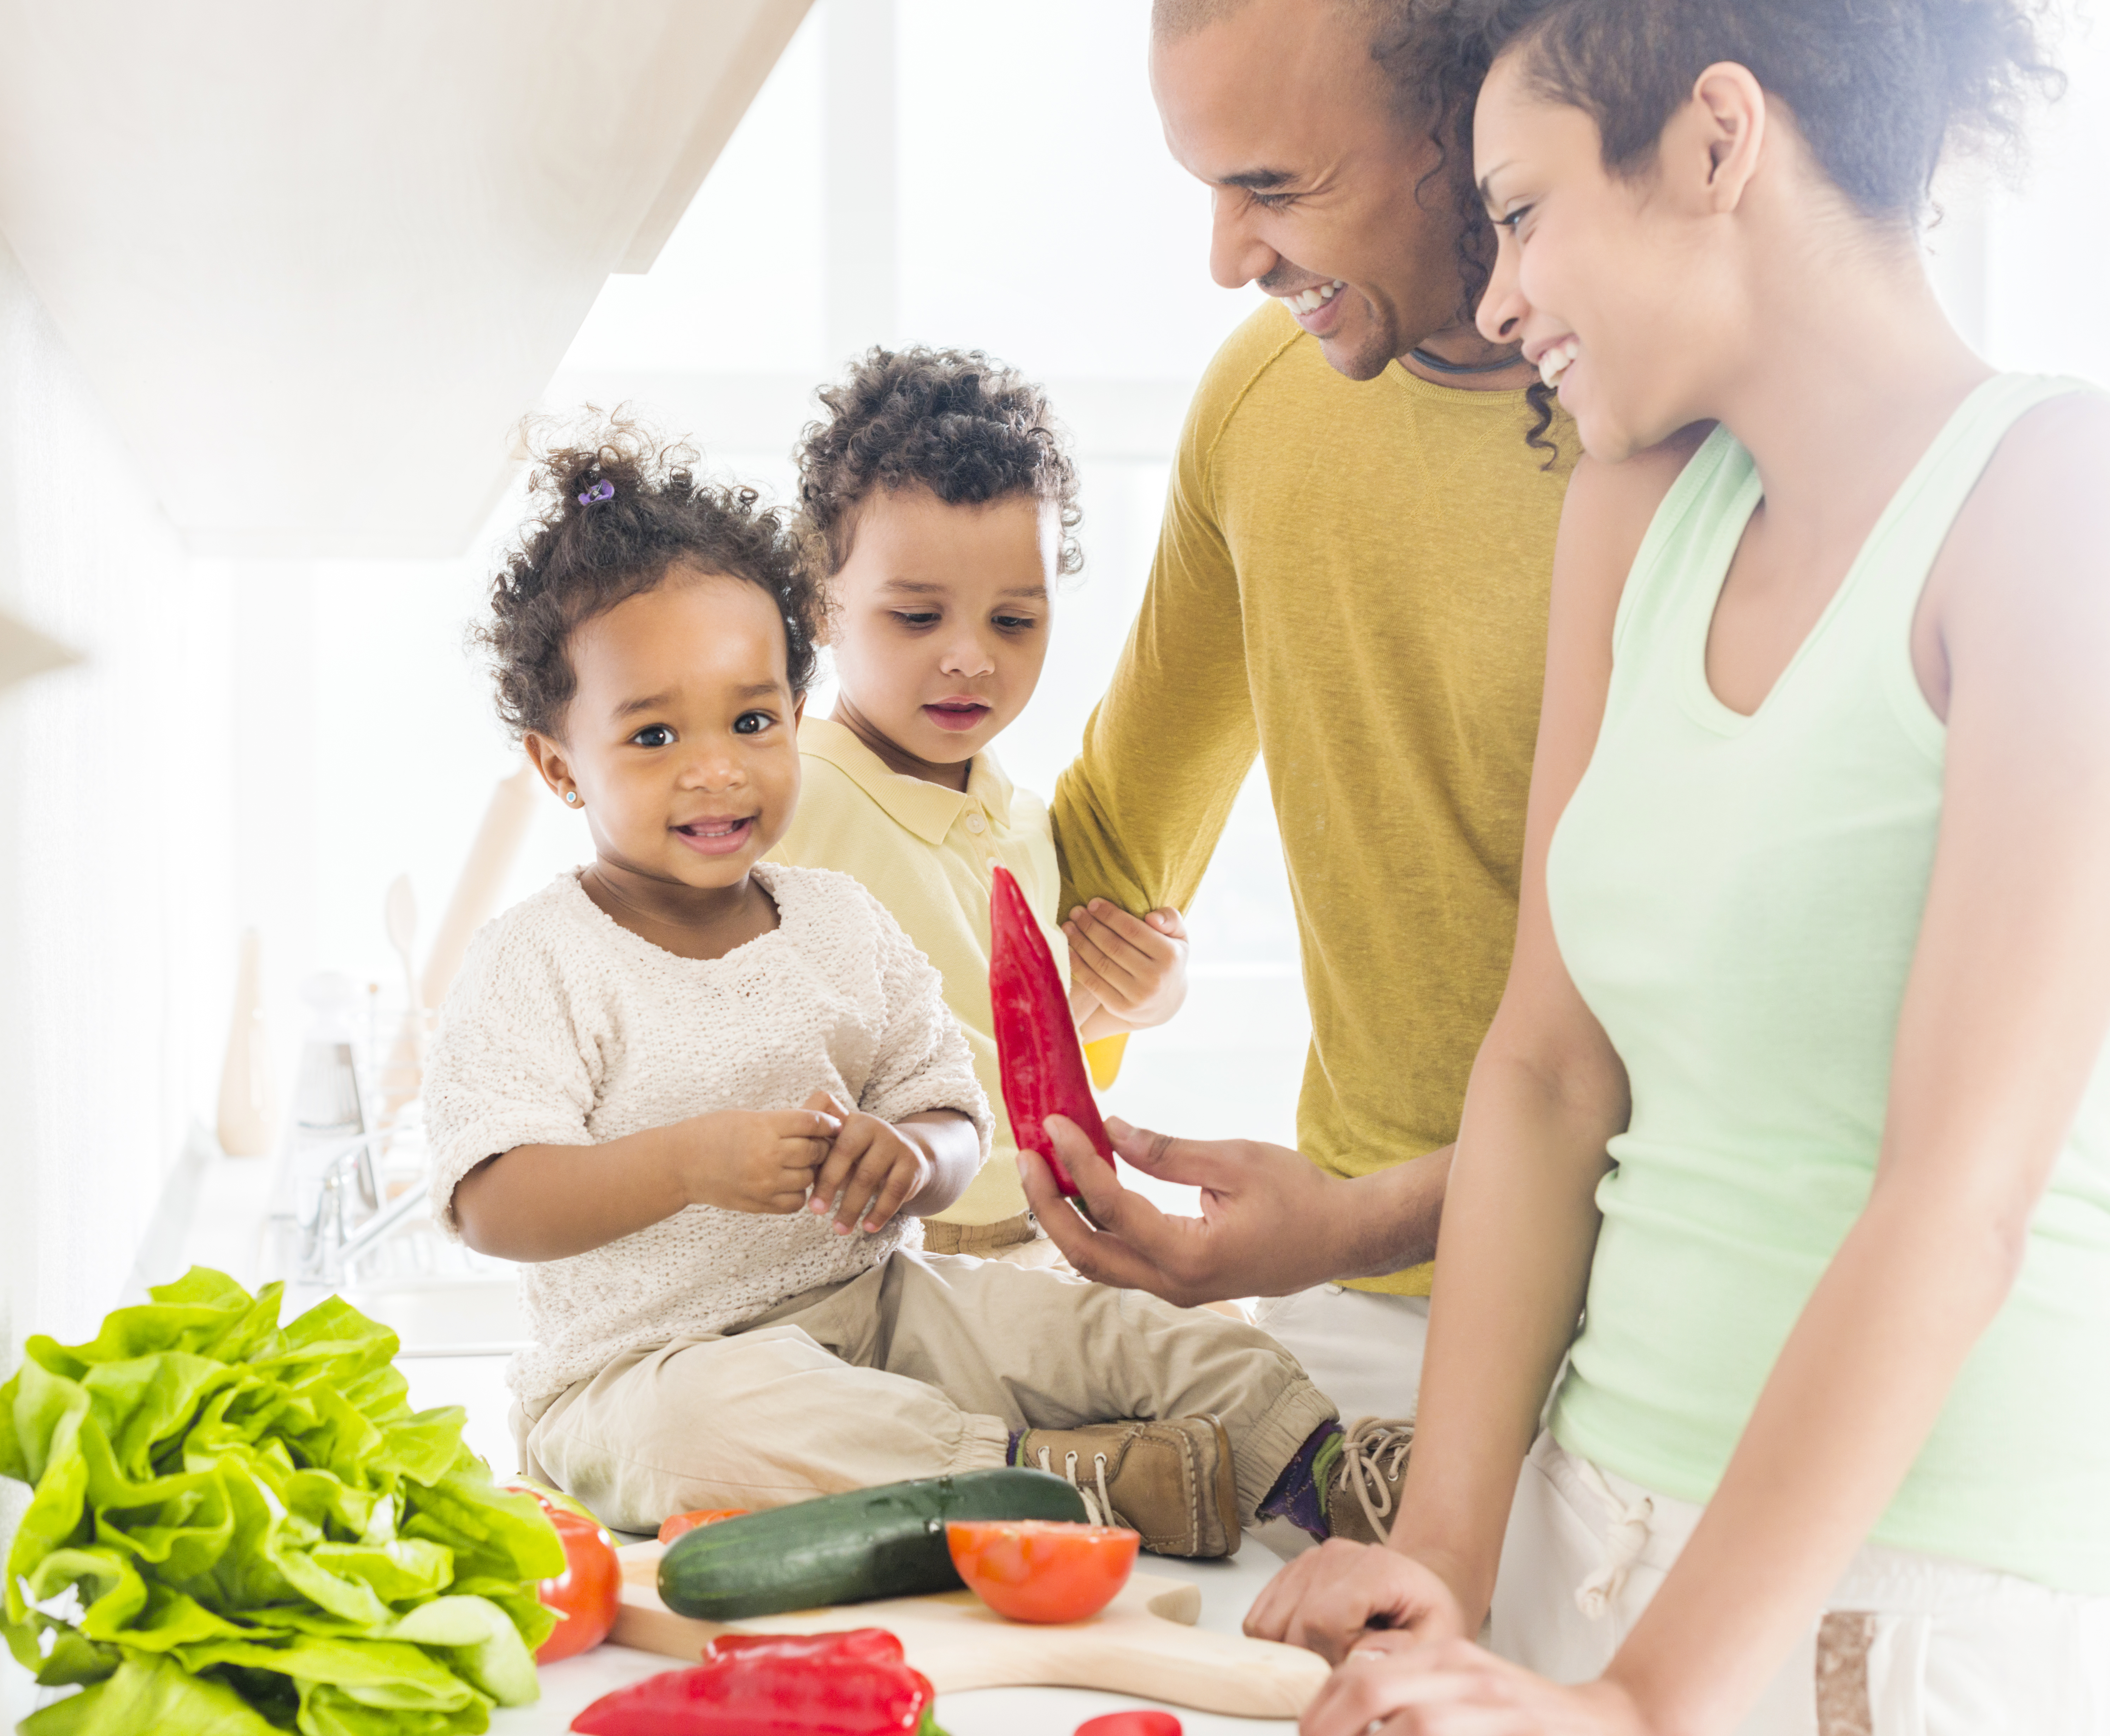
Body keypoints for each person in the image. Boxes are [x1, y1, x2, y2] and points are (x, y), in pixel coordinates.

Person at [1244, 1, 2110, 1730]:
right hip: (1585, 1533)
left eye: (1525, 212)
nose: (1496, 297)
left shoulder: (2083, 511)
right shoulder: (1638, 510)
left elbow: (1958, 1196)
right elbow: (1547, 1072)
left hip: (1928, 1602)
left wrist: (1644, 1702)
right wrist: (1448, 1552)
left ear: (1713, 139)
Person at [424, 419, 1362, 1557]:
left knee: (1129, 1329)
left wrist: (916, 1156)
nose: (717, 766)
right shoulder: (537, 959)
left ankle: (1329, 1460)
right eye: (656, 733)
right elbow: (492, 1204)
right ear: (560, 765)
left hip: (875, 1310)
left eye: (754, 720)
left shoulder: (837, 922)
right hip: (642, 1375)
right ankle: (1042, 1480)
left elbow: (957, 1114)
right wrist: (687, 1164)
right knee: (721, 1426)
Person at [1023, 0, 1582, 1436]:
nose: (1227, 259)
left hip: (1659, 1315)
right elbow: (1099, 865)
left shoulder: (1672, 436)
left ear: (1467, 132)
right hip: (1359, 1311)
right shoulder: (1262, 404)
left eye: (1273, 188)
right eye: (1208, 186)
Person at [767, 346, 1189, 1266]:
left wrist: (1142, 1000)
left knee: (1229, 1347)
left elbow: (1016, 1041)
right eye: (918, 618)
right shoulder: (796, 797)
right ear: (818, 608)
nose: (970, 658)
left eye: (1013, 620)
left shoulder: (1021, 823)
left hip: (1033, 1238)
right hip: (880, 1257)